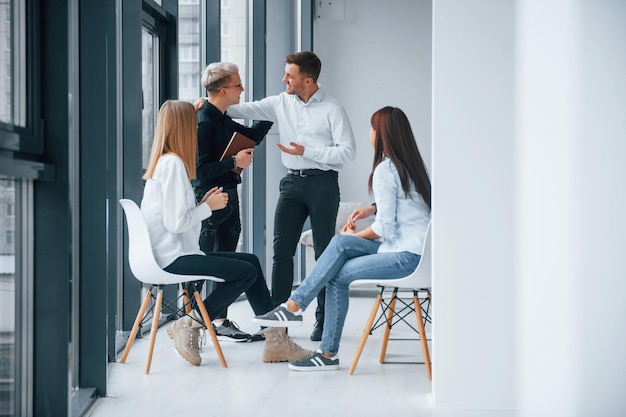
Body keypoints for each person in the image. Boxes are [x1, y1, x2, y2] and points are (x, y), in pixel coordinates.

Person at [253, 106, 431, 371]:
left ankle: (309, 329)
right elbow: (407, 207)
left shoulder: (385, 169)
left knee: (339, 256)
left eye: (372, 129)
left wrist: (354, 234)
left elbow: (383, 229)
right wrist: (372, 208)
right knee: (339, 245)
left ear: (382, 134)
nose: (370, 134)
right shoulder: (411, 167)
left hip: (404, 258)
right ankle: (301, 318)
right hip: (419, 255)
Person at [198, 51, 356, 342]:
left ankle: (322, 321)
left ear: (307, 80)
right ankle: (275, 325)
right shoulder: (280, 102)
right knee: (281, 254)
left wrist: (306, 152)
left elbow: (347, 152)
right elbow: (236, 108)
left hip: (323, 184)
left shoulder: (332, 108)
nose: (284, 79)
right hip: (291, 185)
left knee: (324, 254)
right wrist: (201, 104)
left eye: (290, 75)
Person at [140, 100, 310, 366]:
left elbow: (174, 217)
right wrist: (207, 208)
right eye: (193, 123)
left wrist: (199, 204)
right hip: (174, 257)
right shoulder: (173, 165)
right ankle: (192, 322)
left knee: (251, 261)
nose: (197, 128)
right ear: (184, 128)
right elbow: (176, 224)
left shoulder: (166, 162)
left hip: (171, 252)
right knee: (246, 272)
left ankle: (275, 340)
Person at [195, 62, 273, 342]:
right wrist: (233, 161)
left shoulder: (220, 117)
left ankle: (219, 320)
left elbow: (251, 137)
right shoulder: (204, 121)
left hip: (228, 198)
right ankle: (191, 323)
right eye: (239, 85)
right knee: (203, 266)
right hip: (209, 202)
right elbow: (199, 171)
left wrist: (274, 112)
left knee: (229, 260)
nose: (243, 89)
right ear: (224, 89)